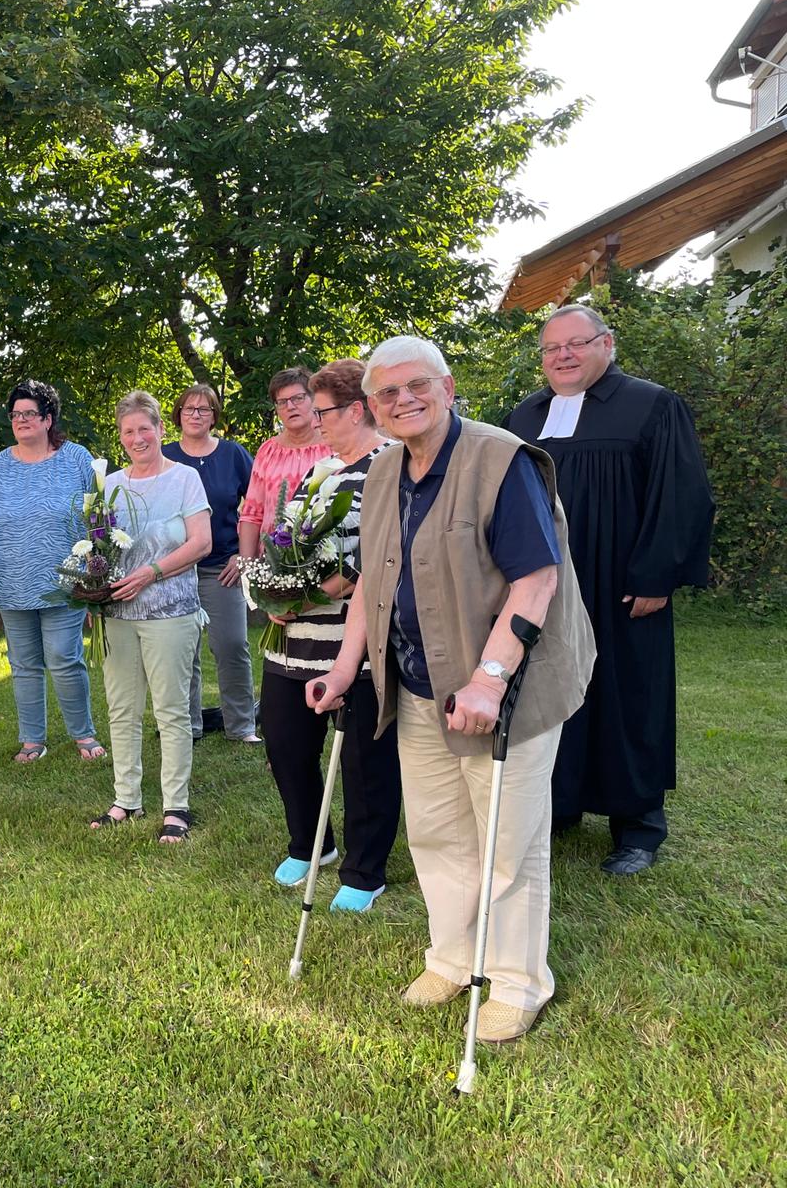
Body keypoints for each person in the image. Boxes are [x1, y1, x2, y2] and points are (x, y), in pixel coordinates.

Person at [308, 336, 594, 1043]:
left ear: (448, 386)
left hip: (502, 689)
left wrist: (491, 680)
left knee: (508, 841)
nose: (403, 400)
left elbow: (537, 578)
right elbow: (374, 578)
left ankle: (519, 982)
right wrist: (347, 669)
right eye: (387, 393)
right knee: (437, 831)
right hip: (417, 686)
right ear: (371, 406)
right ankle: (454, 957)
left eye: (417, 386)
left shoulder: (501, 461)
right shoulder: (382, 473)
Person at [505, 304, 714, 876]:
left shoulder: (653, 406)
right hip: (545, 589)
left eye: (577, 344)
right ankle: (561, 803)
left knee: (630, 699)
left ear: (607, 344)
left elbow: (682, 496)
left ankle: (638, 826)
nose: (563, 356)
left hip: (621, 587)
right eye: (552, 348)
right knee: (551, 694)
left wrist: (656, 575)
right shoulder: (524, 417)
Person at [258, 360, 401, 911]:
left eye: (324, 411)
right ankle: (311, 844)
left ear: (357, 409)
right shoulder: (319, 470)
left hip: (356, 639)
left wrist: (313, 594)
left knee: (366, 762)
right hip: (295, 637)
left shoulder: (389, 465)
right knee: (286, 744)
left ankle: (366, 869)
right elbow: (286, 541)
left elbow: (379, 556)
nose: (315, 422)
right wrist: (274, 594)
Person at [89, 392, 212, 843]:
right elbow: (98, 546)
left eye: (145, 428)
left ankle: (175, 807)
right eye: (128, 432)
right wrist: (91, 592)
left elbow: (201, 543)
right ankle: (127, 800)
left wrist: (150, 572)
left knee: (171, 711)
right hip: (118, 613)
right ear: (120, 439)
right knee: (121, 709)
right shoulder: (111, 485)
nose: (137, 438)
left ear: (161, 429)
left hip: (170, 611)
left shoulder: (184, 480)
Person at [0, 380, 105, 763]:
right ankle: (32, 741)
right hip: (9, 581)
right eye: (16, 414)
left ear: (48, 419)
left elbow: (99, 517)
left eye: (30, 413)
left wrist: (98, 571)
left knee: (64, 657)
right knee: (24, 664)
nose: (22, 420)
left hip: (66, 580)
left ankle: (84, 735)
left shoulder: (77, 459)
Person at [162, 383, 258, 744]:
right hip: (174, 569)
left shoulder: (234, 455)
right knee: (181, 650)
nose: (196, 415)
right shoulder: (165, 455)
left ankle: (242, 725)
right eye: (189, 409)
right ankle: (187, 726)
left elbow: (258, 505)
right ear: (178, 415)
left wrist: (243, 553)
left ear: (214, 416)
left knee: (231, 644)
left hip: (222, 567)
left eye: (204, 409)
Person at [237, 367, 332, 559]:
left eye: (298, 398)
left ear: (314, 400)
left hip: (325, 557)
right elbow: (252, 513)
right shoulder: (268, 451)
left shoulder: (334, 445)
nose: (290, 407)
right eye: (282, 402)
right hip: (273, 562)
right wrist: (247, 564)